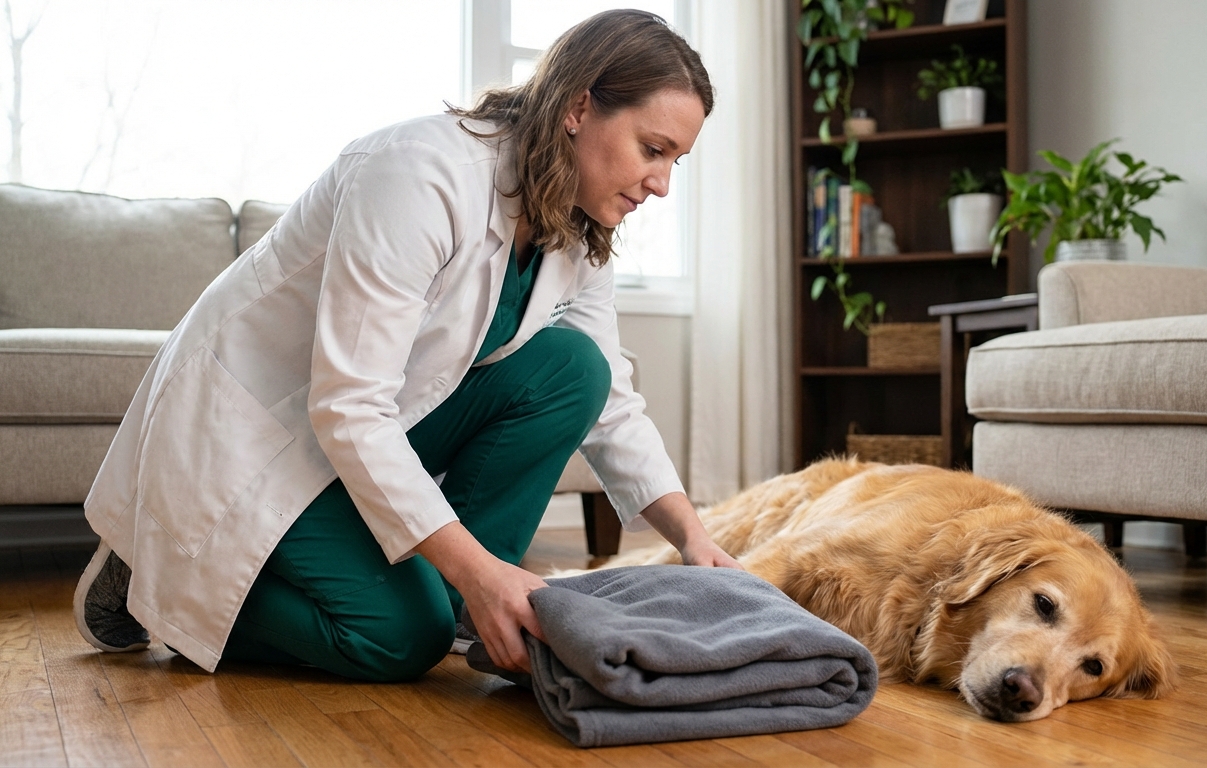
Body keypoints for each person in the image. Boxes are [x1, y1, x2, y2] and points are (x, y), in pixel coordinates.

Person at [73, 9, 740, 682]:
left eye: (675, 160)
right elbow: (350, 407)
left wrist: (694, 538)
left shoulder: (577, 228)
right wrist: (479, 568)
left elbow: (612, 406)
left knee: (573, 369)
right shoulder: (418, 175)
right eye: (652, 150)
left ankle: (464, 602)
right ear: (577, 107)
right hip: (253, 439)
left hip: (365, 431)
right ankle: (154, 574)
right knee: (401, 640)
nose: (662, 184)